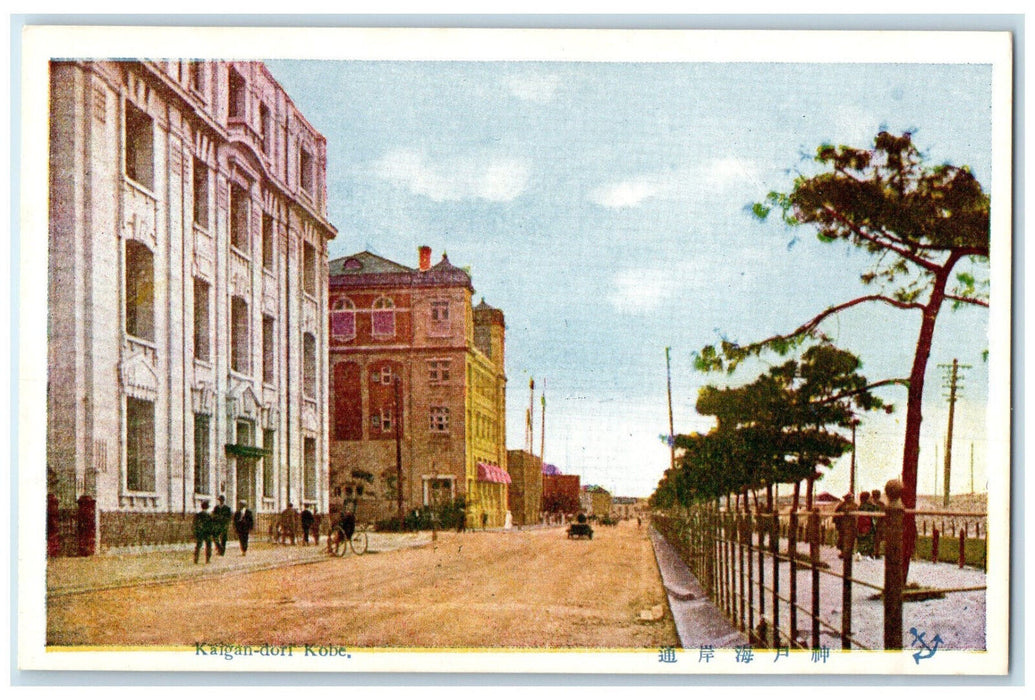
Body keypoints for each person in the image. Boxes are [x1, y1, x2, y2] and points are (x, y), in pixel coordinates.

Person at [833, 492, 856, 560]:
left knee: (851, 539)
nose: (851, 499)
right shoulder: (841, 505)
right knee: (842, 539)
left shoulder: (854, 505)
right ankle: (843, 552)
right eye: (849, 498)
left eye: (852, 498)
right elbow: (836, 515)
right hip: (843, 525)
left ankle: (849, 552)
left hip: (851, 525)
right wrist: (837, 524)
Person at [193, 500, 214, 564]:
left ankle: (196, 559)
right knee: (208, 546)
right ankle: (207, 560)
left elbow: (195, 524)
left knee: (198, 546)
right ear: (207, 507)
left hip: (200, 532)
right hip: (207, 533)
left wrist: (197, 531)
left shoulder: (198, 515)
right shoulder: (209, 515)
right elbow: (211, 525)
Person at [870, 489, 885, 557]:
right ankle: (875, 552)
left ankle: (876, 552)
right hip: (874, 524)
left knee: (876, 539)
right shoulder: (880, 504)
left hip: (878, 524)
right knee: (875, 539)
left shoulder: (881, 504)